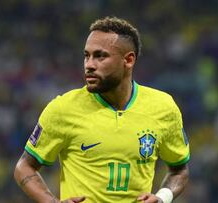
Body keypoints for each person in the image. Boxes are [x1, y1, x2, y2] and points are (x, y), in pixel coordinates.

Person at [14, 16, 190, 203]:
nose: (89, 65)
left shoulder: (163, 107)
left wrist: (162, 198)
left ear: (128, 60)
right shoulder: (62, 109)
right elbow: (24, 166)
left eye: (100, 56)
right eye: (86, 55)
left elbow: (179, 169)